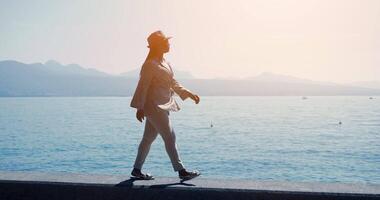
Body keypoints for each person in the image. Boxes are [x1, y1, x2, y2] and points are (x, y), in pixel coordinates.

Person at [130, 30, 201, 181]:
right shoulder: (150, 65)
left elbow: (173, 83)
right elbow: (143, 86)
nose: (169, 44)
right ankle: (181, 171)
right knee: (170, 137)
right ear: (159, 45)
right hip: (154, 106)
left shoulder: (166, 64)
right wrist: (139, 107)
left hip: (163, 105)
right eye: (166, 42)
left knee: (148, 138)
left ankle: (137, 170)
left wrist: (189, 93)